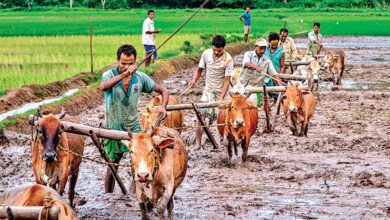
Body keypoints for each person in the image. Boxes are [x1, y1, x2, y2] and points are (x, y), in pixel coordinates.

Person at [100, 44, 168, 193]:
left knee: (141, 163)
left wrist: (163, 106)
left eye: (130, 63)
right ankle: (108, 196)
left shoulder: (140, 78)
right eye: (123, 63)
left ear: (135, 62)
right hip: (112, 127)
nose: (127, 66)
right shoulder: (109, 75)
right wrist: (124, 74)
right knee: (112, 166)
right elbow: (104, 87)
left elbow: (163, 91)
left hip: (134, 129)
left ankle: (137, 193)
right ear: (117, 60)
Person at [189, 35, 233, 150]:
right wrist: (194, 80)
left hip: (221, 92)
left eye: (220, 50)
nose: (217, 52)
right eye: (215, 50)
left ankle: (218, 143)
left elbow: (227, 80)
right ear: (212, 47)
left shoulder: (228, 59)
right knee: (200, 115)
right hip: (208, 91)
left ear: (224, 48)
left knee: (221, 119)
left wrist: (222, 97)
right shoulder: (206, 54)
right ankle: (198, 143)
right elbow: (199, 69)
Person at [240, 38, 282, 106]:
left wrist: (281, 88)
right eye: (260, 48)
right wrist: (255, 68)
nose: (262, 51)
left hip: (257, 88)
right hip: (244, 86)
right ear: (255, 47)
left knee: (255, 107)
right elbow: (246, 64)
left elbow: (274, 75)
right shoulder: (248, 54)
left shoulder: (267, 60)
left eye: (264, 48)